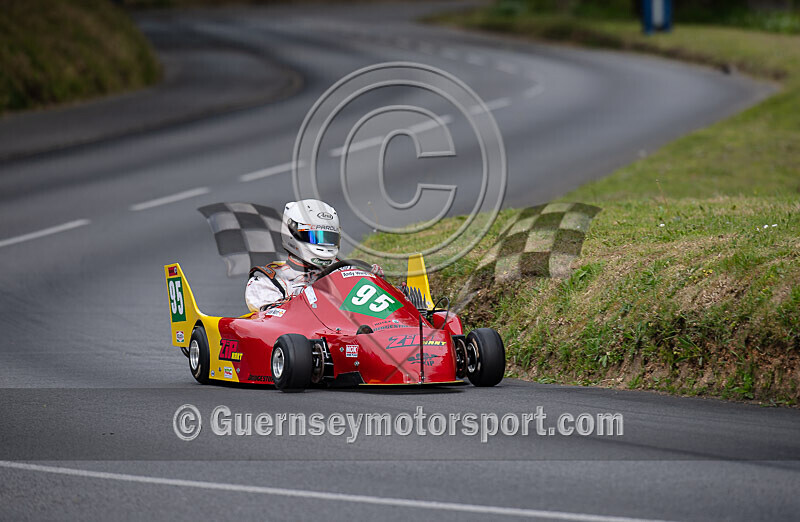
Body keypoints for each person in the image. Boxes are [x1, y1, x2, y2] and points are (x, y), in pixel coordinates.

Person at [245, 199, 382, 312]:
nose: (322, 244)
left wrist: (376, 282)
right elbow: (270, 323)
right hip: (307, 339)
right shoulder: (268, 279)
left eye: (328, 238)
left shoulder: (348, 271)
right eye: (315, 237)